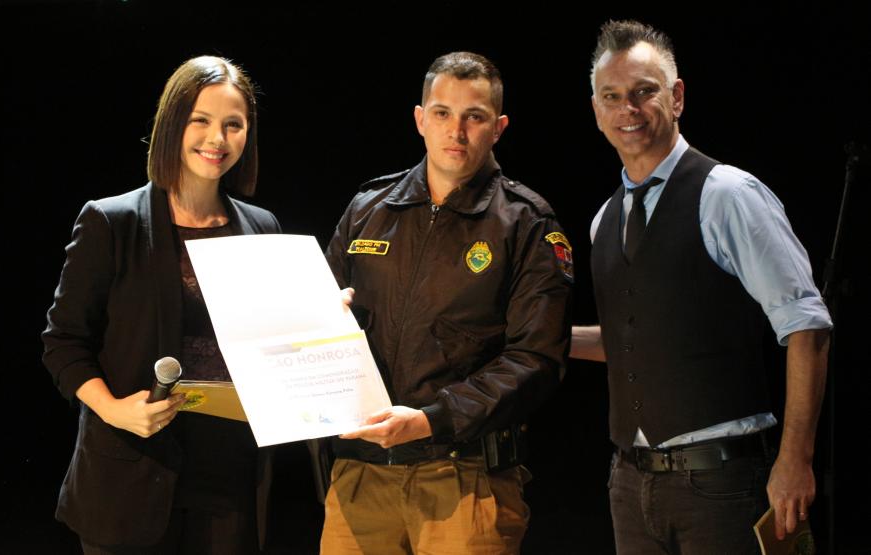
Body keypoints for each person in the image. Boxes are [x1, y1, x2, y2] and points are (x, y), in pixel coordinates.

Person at [569, 20, 832, 554]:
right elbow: (630, 341)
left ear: (677, 96)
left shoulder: (727, 194)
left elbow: (806, 325)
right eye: (613, 97)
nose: (630, 110)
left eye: (645, 92)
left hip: (724, 483)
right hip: (630, 483)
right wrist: (531, 339)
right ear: (596, 110)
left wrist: (795, 459)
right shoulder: (604, 221)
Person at [318, 51, 574, 554]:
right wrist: (324, 315)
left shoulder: (527, 223)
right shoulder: (369, 208)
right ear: (420, 119)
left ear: (498, 127)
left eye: (474, 117)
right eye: (442, 113)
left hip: (464, 478)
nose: (456, 131)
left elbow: (536, 360)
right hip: (361, 476)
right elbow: (316, 320)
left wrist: (431, 418)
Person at [42, 56, 280, 554]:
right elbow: (63, 342)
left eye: (233, 125)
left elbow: (273, 341)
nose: (218, 138)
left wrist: (322, 318)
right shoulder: (112, 222)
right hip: (130, 471)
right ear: (173, 121)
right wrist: (113, 409)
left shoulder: (262, 227)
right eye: (202, 120)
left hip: (228, 474)